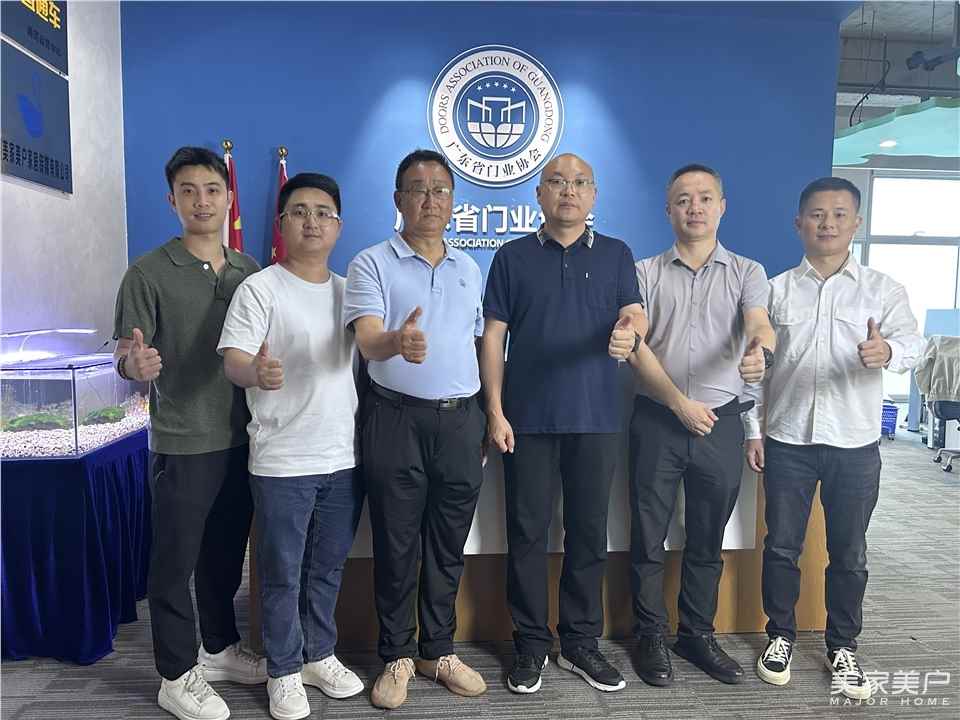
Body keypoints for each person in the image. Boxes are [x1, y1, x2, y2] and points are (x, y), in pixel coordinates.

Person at [746, 176, 923, 700]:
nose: (828, 223)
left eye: (839, 214)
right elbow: (755, 369)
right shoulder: (774, 290)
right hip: (788, 440)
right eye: (817, 214)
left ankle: (842, 645)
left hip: (855, 444)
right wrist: (753, 431)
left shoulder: (883, 289)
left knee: (849, 552)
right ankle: (779, 636)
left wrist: (888, 352)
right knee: (781, 547)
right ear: (798, 223)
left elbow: (914, 345)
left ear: (856, 224)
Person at [481, 153, 646, 695]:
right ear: (539, 194)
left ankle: (580, 642)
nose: (568, 191)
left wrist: (632, 326)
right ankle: (530, 644)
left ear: (593, 195)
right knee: (526, 534)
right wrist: (495, 409)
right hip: (526, 419)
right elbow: (494, 337)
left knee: (589, 534)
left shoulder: (618, 254)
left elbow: (636, 312)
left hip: (597, 417)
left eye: (579, 183)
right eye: (556, 182)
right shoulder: (512, 256)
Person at [113, 146, 265, 720]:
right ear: (171, 200)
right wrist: (134, 366)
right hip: (182, 441)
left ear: (228, 197)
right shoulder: (147, 272)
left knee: (225, 554)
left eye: (212, 189)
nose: (201, 201)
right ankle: (175, 675)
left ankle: (218, 648)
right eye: (188, 191)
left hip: (243, 438)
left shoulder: (250, 271)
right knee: (174, 564)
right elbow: (126, 355)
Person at [343, 149, 487, 710]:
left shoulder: (469, 268)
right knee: (397, 543)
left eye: (440, 190)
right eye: (418, 189)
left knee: (448, 544)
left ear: (452, 201)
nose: (431, 200)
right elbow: (368, 340)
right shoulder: (372, 262)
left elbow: (476, 342)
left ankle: (439, 651)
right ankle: (398, 655)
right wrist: (395, 342)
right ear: (399, 199)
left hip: (461, 421)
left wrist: (487, 413)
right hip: (395, 417)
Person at [218, 173, 365, 720]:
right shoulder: (260, 288)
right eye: (299, 211)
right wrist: (255, 372)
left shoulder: (351, 292)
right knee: (281, 573)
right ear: (281, 224)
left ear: (338, 226)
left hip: (343, 457)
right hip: (282, 460)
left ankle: (318, 655)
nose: (311, 221)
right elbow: (234, 360)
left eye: (323, 212)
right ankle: (283, 670)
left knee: (326, 569)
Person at [627, 163, 775, 687]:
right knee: (648, 537)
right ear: (668, 210)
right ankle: (649, 635)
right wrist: (677, 403)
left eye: (705, 198)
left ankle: (696, 634)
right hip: (656, 420)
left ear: (722, 207)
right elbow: (637, 334)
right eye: (684, 199)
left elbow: (759, 323)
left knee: (707, 539)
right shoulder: (645, 271)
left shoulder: (747, 272)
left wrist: (761, 351)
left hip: (721, 421)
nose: (695, 207)